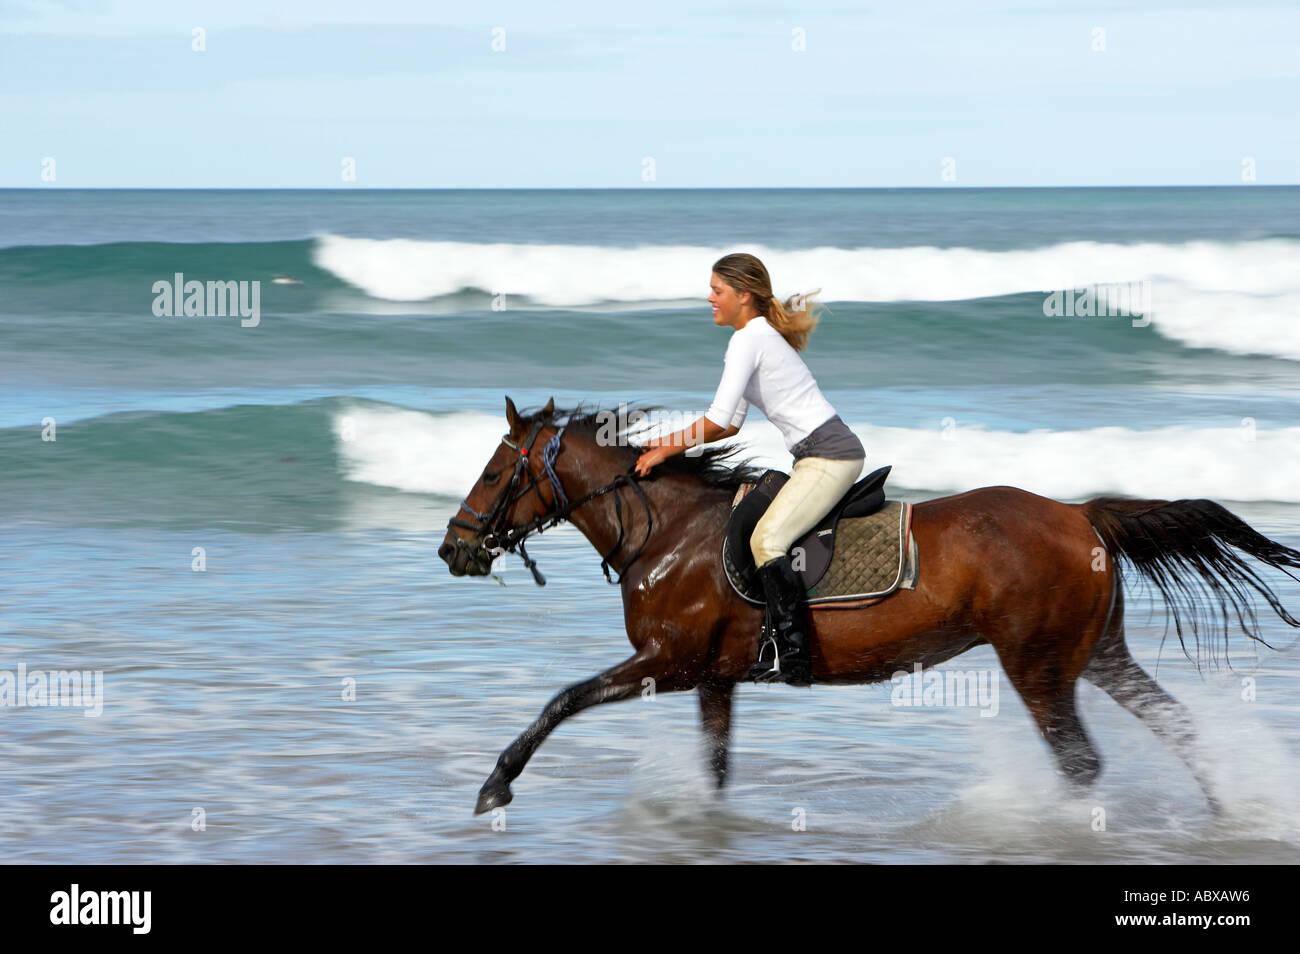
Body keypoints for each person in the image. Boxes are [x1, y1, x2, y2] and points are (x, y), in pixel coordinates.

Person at [634, 253, 865, 685]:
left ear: (743, 295)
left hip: (830, 455)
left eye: (717, 291)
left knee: (767, 539)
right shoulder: (755, 336)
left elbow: (719, 419)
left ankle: (793, 657)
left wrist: (665, 450)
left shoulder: (749, 340)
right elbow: (732, 422)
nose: (709, 298)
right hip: (818, 454)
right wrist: (665, 443)